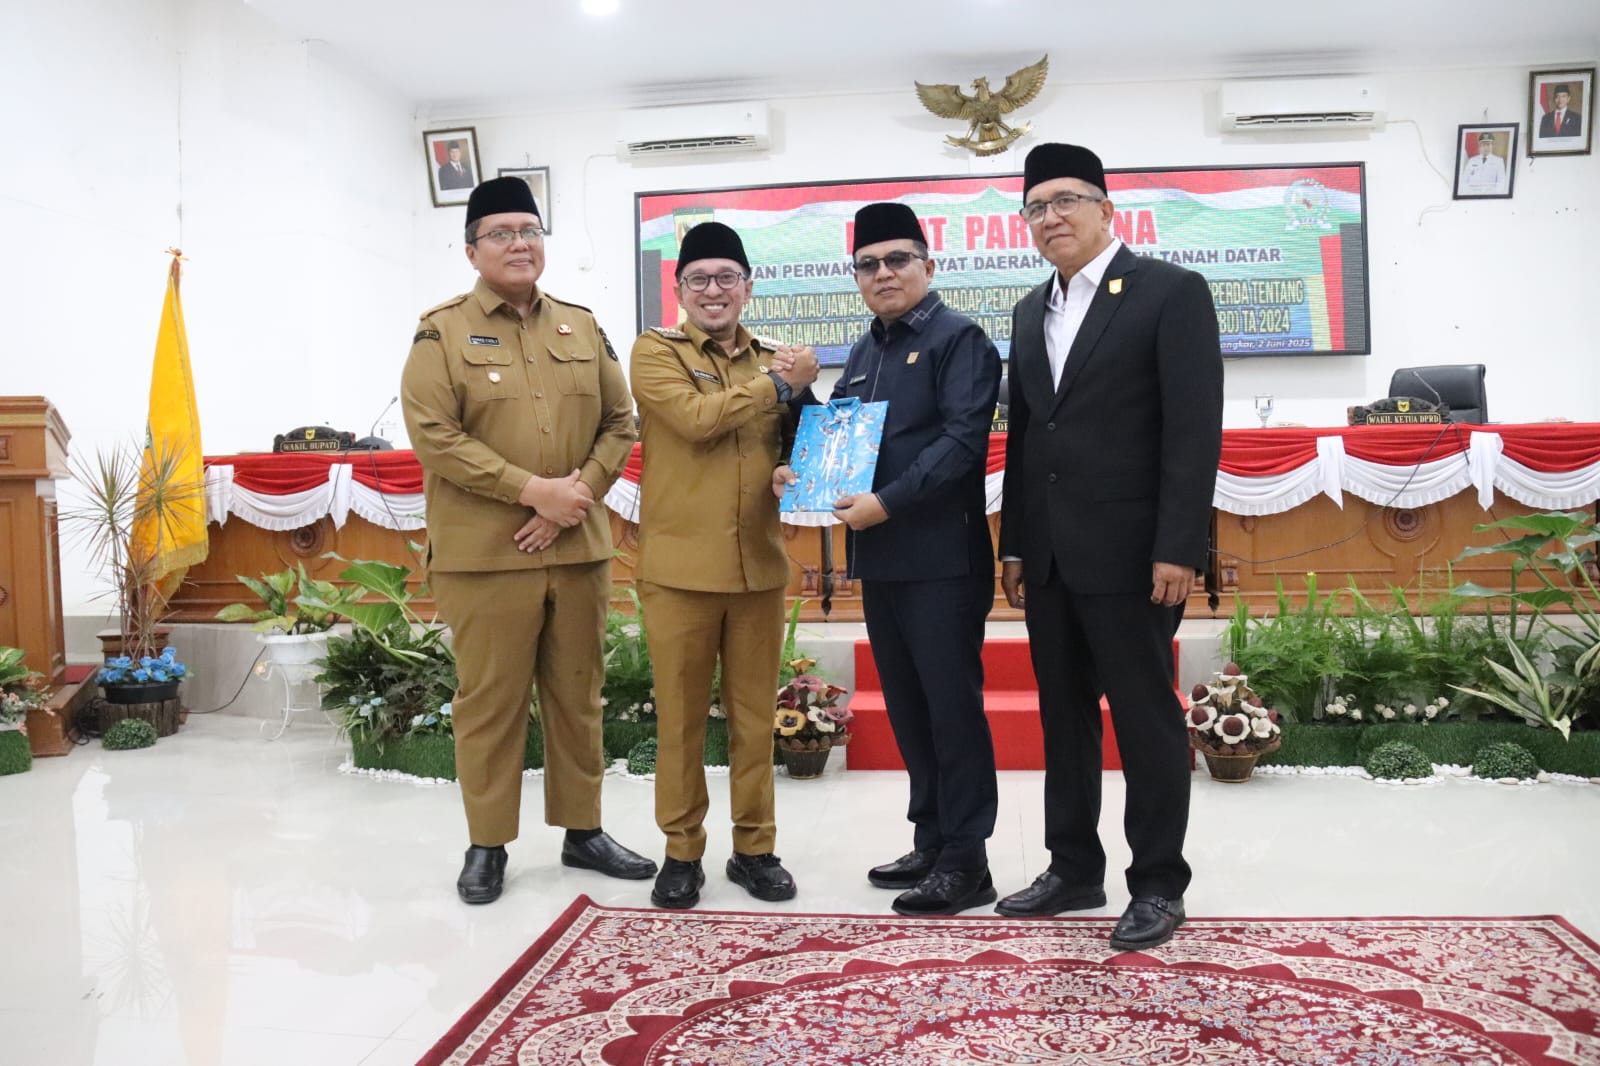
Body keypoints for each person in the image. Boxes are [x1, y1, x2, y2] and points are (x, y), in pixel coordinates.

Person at [401, 176, 656, 905]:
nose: (519, 244)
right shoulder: (441, 332)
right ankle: (487, 843)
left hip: (576, 549)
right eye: (502, 233)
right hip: (487, 555)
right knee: (490, 701)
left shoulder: (579, 324)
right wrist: (531, 491)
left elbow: (620, 421)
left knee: (579, 696)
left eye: (530, 231)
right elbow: (434, 436)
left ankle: (584, 831)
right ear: (472, 250)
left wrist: (573, 497)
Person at [996, 143, 1223, 950]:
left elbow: (1193, 429)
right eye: (1036, 207)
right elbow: (1029, 437)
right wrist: (1015, 544)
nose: (1050, 217)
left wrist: (1179, 546)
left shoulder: (1169, 292)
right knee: (1064, 722)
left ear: (1105, 209)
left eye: (1066, 200)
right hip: (1051, 558)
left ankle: (1158, 883)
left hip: (1134, 556)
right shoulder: (1030, 309)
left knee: (1143, 720)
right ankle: (1073, 869)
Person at [816, 201, 1002, 917]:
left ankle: (968, 861)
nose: (884, 273)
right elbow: (840, 437)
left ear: (929, 265)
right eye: (868, 264)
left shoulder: (960, 339)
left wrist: (886, 503)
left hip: (942, 560)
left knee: (952, 712)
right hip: (883, 558)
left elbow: (961, 444)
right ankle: (932, 840)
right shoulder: (867, 350)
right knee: (910, 710)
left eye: (898, 259)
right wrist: (802, 469)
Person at [628, 222, 820, 909]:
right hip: (680, 571)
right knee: (680, 722)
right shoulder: (656, 352)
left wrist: (791, 468)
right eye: (699, 279)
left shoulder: (772, 360)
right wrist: (779, 383)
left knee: (754, 720)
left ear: (747, 286)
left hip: (757, 568)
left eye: (727, 277)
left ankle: (755, 849)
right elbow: (696, 419)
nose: (714, 290)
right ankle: (682, 853)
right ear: (680, 290)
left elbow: (796, 443)